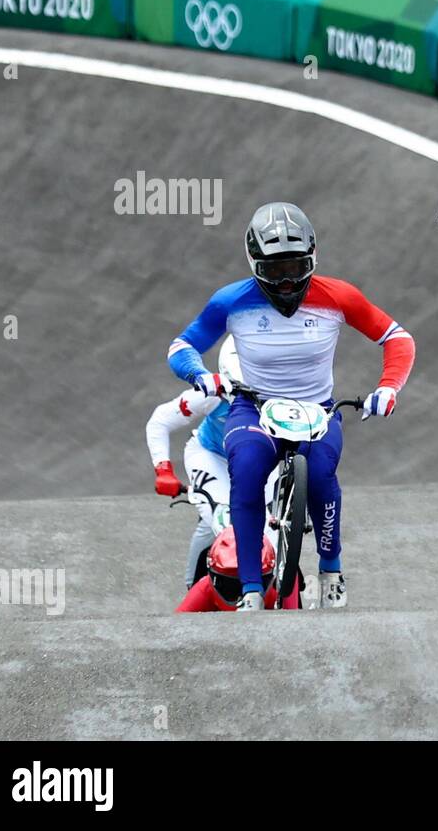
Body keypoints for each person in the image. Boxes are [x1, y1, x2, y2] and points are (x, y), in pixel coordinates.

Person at [167, 202, 415, 611]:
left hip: (316, 407)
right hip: (254, 406)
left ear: (312, 259)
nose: (286, 283)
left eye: (295, 268)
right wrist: (200, 374)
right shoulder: (230, 301)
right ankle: (250, 589)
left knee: (320, 475)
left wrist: (388, 388)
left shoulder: (338, 296)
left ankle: (331, 570)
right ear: (254, 265)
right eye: (274, 271)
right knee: (245, 471)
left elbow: (397, 338)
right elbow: (182, 345)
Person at [146, 335, 241, 588]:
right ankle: (194, 589)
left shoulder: (285, 391)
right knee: (220, 520)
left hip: (258, 461)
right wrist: (163, 469)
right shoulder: (213, 393)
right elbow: (160, 421)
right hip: (212, 456)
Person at [176, 524, 301, 612]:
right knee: (204, 530)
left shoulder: (275, 591)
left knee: (289, 568)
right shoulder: (205, 588)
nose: (241, 598)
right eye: (230, 587)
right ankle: (189, 582)